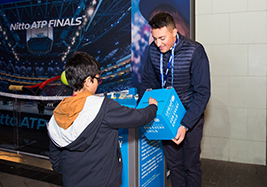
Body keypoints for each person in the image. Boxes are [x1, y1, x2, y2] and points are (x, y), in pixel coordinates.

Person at [47, 51, 158, 187]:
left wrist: (62, 171)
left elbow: (54, 151)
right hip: (103, 181)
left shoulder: (59, 111)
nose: (98, 84)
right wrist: (152, 107)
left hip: (71, 180)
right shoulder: (103, 107)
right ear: (88, 81)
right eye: (97, 79)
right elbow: (138, 117)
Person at [138, 13, 210, 187]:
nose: (158, 43)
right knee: (175, 166)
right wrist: (148, 103)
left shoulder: (195, 51)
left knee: (191, 165)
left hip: (190, 118)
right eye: (154, 38)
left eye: (162, 38)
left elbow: (203, 93)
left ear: (175, 32)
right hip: (166, 117)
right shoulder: (153, 50)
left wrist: (185, 124)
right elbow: (147, 81)